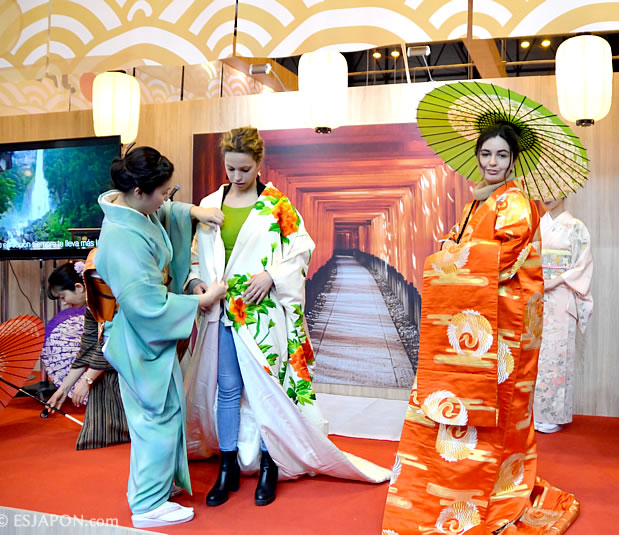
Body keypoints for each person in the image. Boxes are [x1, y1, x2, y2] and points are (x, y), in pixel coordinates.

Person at [381, 123, 579, 534]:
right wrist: (451, 248)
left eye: (501, 155)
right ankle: (453, 487)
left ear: (513, 159)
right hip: (476, 319)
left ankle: (489, 491)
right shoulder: (479, 201)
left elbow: (501, 259)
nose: (493, 162)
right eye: (486, 154)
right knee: (459, 407)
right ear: (477, 156)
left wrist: (453, 255)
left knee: (497, 412)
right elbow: (460, 245)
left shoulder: (516, 204)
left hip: (504, 327)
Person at [183, 126, 389, 509]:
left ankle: (270, 464)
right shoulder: (211, 204)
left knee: (270, 388)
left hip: (262, 310)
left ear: (259, 163)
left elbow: (300, 249)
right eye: (230, 169)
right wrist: (196, 282)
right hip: (222, 309)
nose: (237, 176)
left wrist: (271, 276)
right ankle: (227, 465)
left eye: (244, 169)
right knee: (226, 389)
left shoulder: (277, 204)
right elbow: (196, 255)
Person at [94, 146, 227, 528]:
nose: (167, 200)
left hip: (143, 336)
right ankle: (148, 505)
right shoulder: (123, 238)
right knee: (156, 415)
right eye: (164, 193)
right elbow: (147, 305)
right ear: (139, 191)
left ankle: (156, 487)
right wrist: (203, 300)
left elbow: (165, 213)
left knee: (163, 411)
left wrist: (191, 212)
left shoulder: (135, 211)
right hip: (138, 337)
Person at [45, 261, 130, 449]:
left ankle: (122, 429)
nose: (64, 302)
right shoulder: (92, 305)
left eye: (63, 296)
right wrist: (63, 390)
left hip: (139, 350)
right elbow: (88, 347)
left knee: (100, 377)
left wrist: (87, 380)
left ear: (79, 287)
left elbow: (111, 342)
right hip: (119, 350)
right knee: (97, 371)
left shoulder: (108, 296)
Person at [533, 198, 593, 433]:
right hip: (536, 295)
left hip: (561, 295)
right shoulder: (536, 225)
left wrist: (556, 280)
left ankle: (553, 415)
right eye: (544, 190)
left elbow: (582, 267)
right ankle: (533, 412)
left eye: (554, 189)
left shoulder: (576, 227)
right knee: (536, 356)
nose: (548, 196)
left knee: (557, 355)